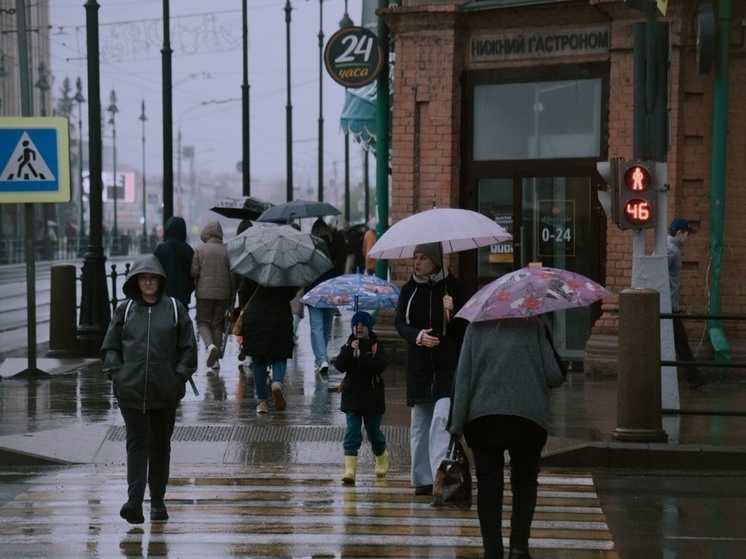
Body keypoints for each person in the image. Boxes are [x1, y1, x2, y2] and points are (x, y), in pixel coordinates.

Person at [448, 317, 566, 559]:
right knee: (524, 483)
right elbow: (555, 376)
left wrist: (456, 423)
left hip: (482, 420)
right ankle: (519, 548)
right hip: (527, 420)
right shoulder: (534, 325)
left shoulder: (475, 327)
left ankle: (493, 551)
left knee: (489, 486)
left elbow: (463, 378)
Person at [100, 254, 198, 524]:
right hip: (131, 392)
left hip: (164, 393)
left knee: (160, 447)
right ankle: (134, 501)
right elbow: (111, 346)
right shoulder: (126, 309)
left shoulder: (176, 309)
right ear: (136, 281)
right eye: (142, 278)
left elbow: (188, 349)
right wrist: (116, 374)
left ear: (160, 281)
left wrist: (176, 377)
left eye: (151, 278)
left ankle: (157, 501)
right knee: (137, 445)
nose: (147, 283)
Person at [394, 242, 467, 495]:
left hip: (447, 366)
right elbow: (400, 323)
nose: (417, 262)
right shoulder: (409, 290)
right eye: (415, 257)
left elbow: (464, 329)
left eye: (423, 258)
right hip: (420, 367)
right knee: (420, 424)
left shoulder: (453, 287)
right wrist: (418, 336)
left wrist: (452, 312)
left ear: (435, 261)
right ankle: (422, 479)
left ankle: (441, 478)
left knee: (441, 419)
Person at [334, 311, 389, 484]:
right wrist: (350, 351)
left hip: (372, 397)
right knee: (352, 432)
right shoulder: (348, 345)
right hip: (352, 397)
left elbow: (380, 365)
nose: (359, 327)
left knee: (373, 432)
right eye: (356, 324)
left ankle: (381, 455)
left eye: (363, 325)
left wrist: (363, 357)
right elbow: (340, 365)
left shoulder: (376, 346)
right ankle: (350, 469)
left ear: (369, 327)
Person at [667, 218, 717, 388]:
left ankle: (693, 376)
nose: (688, 238)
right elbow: (657, 275)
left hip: (669, 306)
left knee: (680, 342)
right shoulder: (671, 250)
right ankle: (694, 376)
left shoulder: (672, 249)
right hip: (667, 307)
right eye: (687, 234)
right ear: (679, 233)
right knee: (680, 342)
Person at [237, 276, 297, 413]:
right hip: (281, 314)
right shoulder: (285, 268)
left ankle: (262, 401)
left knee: (258, 359)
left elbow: (243, 292)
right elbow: (291, 293)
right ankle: (277, 382)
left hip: (255, 315)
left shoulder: (252, 266)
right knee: (280, 354)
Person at [191, 220, 235, 371]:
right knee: (217, 324)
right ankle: (215, 361)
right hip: (223, 294)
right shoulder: (227, 251)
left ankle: (210, 346)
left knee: (202, 322)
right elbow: (232, 276)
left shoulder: (200, 250)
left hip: (204, 293)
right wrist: (232, 297)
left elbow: (194, 273)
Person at [306, 219, 344, 375]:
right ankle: (322, 357)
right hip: (331, 288)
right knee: (327, 323)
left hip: (314, 288)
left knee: (316, 325)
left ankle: (321, 359)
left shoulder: (310, 246)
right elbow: (341, 264)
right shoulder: (335, 244)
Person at [154, 216, 195, 309]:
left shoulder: (162, 248)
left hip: (164, 294)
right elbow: (193, 273)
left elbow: (154, 269)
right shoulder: (188, 250)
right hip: (183, 295)